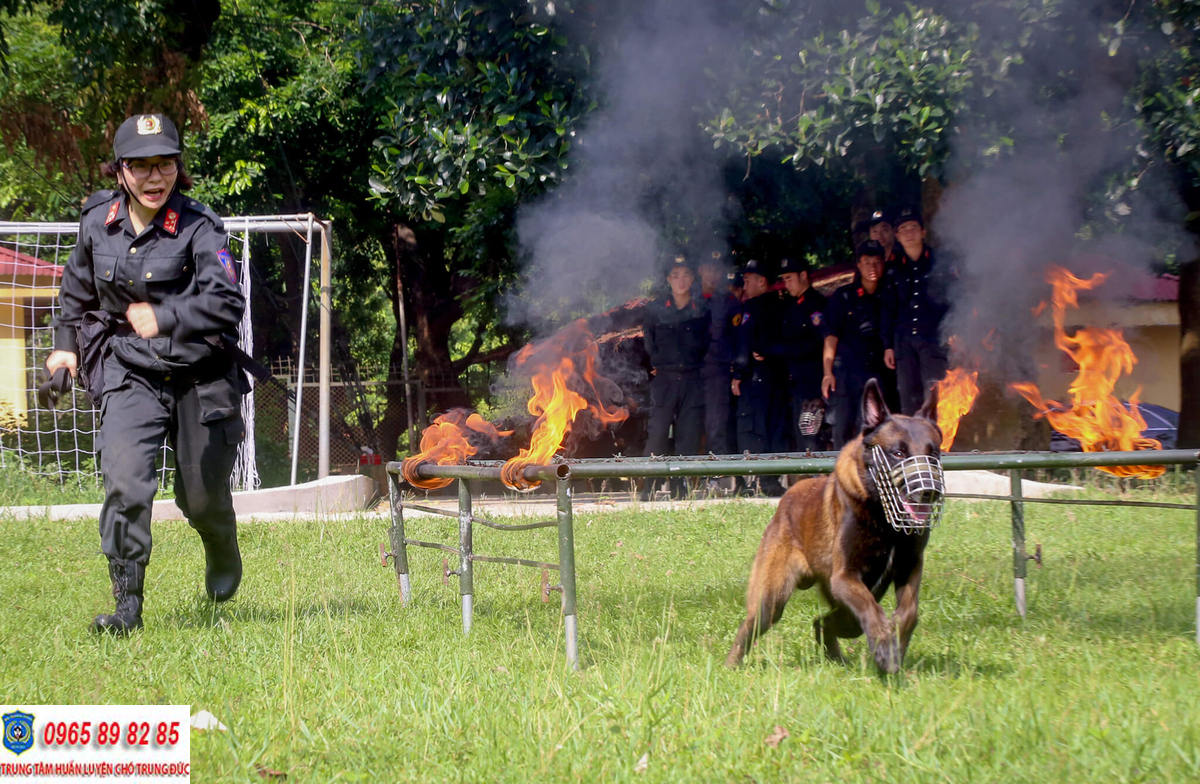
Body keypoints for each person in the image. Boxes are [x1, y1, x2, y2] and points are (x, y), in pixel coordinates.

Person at [46, 113, 248, 635]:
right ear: (120, 172)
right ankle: (127, 607)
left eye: (164, 165)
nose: (154, 178)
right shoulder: (97, 222)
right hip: (127, 369)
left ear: (178, 169)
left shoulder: (201, 227)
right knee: (127, 483)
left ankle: (220, 544)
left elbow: (227, 301)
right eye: (141, 168)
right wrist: (64, 352)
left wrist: (167, 317)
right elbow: (74, 296)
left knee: (199, 497)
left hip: (198, 371)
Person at [641, 254, 710, 499]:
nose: (681, 281)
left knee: (688, 434)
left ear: (692, 279)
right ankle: (648, 486)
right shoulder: (655, 309)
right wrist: (660, 364)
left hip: (692, 379)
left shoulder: (701, 309)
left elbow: (707, 343)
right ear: (668, 279)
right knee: (657, 433)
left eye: (686, 275)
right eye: (675, 275)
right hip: (665, 379)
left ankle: (682, 486)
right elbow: (649, 342)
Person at [881, 206, 952, 415]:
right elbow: (888, 309)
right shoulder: (893, 269)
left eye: (913, 228)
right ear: (897, 236)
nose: (909, 234)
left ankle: (936, 445)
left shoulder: (940, 263)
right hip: (903, 344)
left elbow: (954, 300)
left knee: (934, 396)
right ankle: (913, 447)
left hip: (934, 341)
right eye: (903, 230)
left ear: (923, 232)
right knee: (908, 397)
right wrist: (887, 346)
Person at [822, 241, 888, 447]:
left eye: (877, 262)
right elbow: (831, 337)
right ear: (858, 265)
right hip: (845, 373)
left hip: (875, 374)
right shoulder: (843, 296)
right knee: (841, 428)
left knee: (870, 429)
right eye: (867, 262)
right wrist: (827, 372)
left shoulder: (888, 294)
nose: (872, 267)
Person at [731, 258, 786, 495]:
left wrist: (738, 375)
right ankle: (772, 479)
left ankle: (758, 480)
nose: (744, 287)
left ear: (761, 282)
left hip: (756, 378)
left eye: (747, 281)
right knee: (776, 427)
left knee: (755, 427)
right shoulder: (783, 305)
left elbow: (745, 343)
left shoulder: (751, 308)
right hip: (780, 377)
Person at [765, 256, 826, 452]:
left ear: (803, 276)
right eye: (784, 279)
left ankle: (816, 481)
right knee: (800, 437)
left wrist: (777, 350)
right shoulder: (792, 306)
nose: (786, 283)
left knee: (811, 436)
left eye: (789, 278)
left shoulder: (816, 304)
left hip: (811, 382)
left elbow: (815, 343)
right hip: (794, 382)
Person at [696, 253, 739, 460]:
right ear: (700, 270)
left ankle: (715, 477)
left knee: (716, 424)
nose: (713, 274)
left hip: (717, 371)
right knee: (691, 424)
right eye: (708, 269)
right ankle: (688, 479)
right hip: (690, 370)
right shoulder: (688, 298)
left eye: (716, 270)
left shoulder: (729, 301)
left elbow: (738, 336)